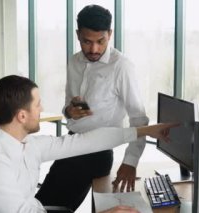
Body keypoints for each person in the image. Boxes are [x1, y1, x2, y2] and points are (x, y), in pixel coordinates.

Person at [0, 75, 176, 213]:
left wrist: (146, 131)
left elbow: (86, 142)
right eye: (38, 105)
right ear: (22, 116)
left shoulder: (26, 144)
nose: (42, 108)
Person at [36, 4, 149, 211]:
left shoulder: (121, 66)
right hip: (71, 143)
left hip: (96, 153)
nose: (94, 49)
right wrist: (69, 111)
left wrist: (130, 162)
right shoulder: (74, 62)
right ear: (78, 35)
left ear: (110, 34)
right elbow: (69, 105)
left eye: (100, 41)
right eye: (87, 42)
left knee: (47, 207)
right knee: (41, 204)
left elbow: (139, 119)